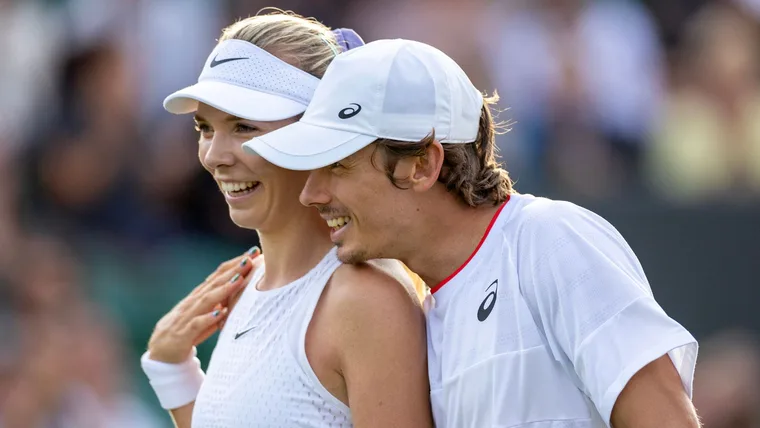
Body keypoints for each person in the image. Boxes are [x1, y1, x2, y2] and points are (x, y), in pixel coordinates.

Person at [243, 39, 701, 428]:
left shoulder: (550, 240)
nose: (311, 194)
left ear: (422, 165)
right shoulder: (426, 315)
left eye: (337, 166)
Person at [140, 13, 432, 428]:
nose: (214, 155)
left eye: (243, 126)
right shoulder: (246, 286)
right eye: (205, 128)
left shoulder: (366, 300)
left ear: (318, 134)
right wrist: (172, 371)